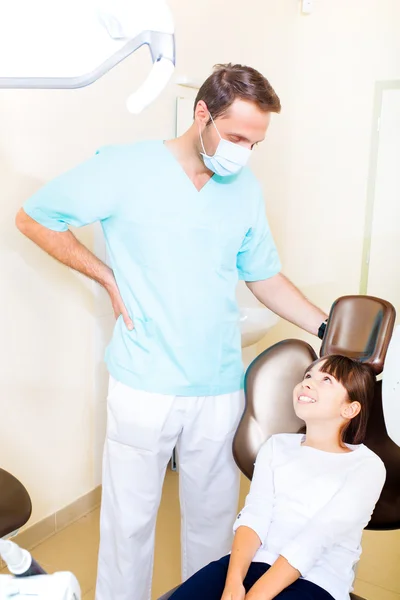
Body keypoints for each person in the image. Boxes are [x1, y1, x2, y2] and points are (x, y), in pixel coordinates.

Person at [15, 63, 329, 600]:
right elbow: (35, 217)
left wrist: (326, 326)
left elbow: (263, 275)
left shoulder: (244, 187)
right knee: (128, 529)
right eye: (235, 137)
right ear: (202, 113)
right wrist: (106, 275)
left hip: (219, 385)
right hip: (143, 382)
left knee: (214, 533)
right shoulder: (124, 167)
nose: (244, 152)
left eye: (255, 143)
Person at [167, 355, 386, 600]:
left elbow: (316, 538)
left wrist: (257, 595)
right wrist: (233, 582)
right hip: (256, 563)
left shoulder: (367, 466)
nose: (308, 383)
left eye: (326, 379)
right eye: (307, 376)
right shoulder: (276, 446)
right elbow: (255, 515)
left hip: (317, 579)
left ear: (350, 408)